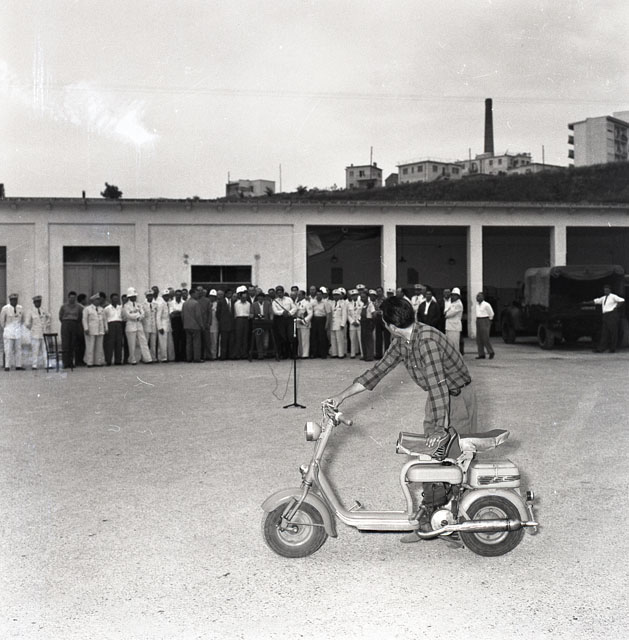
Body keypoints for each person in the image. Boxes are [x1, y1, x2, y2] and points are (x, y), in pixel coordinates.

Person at [327, 297, 478, 542]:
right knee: (432, 457)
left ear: (391, 326)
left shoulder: (427, 341)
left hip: (456, 397)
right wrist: (341, 396)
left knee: (451, 458)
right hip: (440, 397)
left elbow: (439, 388)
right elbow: (377, 371)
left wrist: (438, 431)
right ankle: (432, 519)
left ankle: (453, 525)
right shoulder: (402, 341)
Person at [122, 287, 153, 364]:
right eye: (133, 296)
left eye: (135, 296)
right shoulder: (126, 305)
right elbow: (128, 315)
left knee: (143, 342)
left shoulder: (139, 304)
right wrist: (137, 316)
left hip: (139, 324)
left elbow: (143, 313)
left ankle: (147, 358)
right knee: (132, 344)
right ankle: (132, 359)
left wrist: (138, 316)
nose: (134, 297)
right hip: (130, 325)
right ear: (129, 297)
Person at [591, 284, 625, 353]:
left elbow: (622, 300)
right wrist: (585, 302)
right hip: (605, 315)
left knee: (613, 332)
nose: (606, 291)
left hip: (612, 315)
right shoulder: (603, 298)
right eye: (605, 290)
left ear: (610, 290)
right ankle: (601, 348)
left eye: (607, 290)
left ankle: (613, 348)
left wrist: (616, 307)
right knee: (605, 332)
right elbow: (596, 301)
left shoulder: (613, 296)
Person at [25, 295, 50, 370]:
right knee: (35, 350)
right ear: (34, 303)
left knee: (45, 349)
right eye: (36, 302)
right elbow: (27, 323)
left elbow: (49, 317)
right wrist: (32, 329)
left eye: (39, 302)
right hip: (35, 333)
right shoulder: (31, 311)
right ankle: (34, 365)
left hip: (44, 332)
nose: (38, 303)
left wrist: (47, 324)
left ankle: (47, 364)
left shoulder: (43, 310)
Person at [58, 291, 83, 369]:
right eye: (71, 298)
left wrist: (74, 323)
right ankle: (65, 363)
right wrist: (66, 322)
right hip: (65, 324)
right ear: (68, 298)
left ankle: (71, 362)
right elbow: (60, 316)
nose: (72, 299)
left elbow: (80, 317)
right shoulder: (63, 306)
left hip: (74, 324)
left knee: (73, 343)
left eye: (74, 298)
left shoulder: (79, 307)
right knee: (65, 344)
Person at [1, 293, 24, 371]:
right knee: (8, 349)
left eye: (15, 300)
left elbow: (22, 319)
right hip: (9, 331)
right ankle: (7, 366)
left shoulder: (20, 308)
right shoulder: (5, 308)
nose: (14, 301)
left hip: (17, 331)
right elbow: (2, 321)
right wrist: (6, 328)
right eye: (13, 300)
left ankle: (18, 365)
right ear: (10, 300)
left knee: (18, 349)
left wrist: (19, 328)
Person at [82, 293, 106, 366]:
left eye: (99, 300)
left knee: (99, 347)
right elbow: (84, 319)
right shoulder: (87, 309)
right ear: (93, 301)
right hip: (91, 330)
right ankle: (89, 362)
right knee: (90, 346)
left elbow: (104, 319)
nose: (98, 301)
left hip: (100, 329)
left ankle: (98, 362)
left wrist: (106, 328)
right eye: (97, 300)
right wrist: (86, 328)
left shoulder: (101, 309)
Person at [182, 288, 204, 362]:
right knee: (196, 343)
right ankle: (196, 358)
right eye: (196, 293)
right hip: (195, 326)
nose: (198, 295)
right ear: (192, 294)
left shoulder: (185, 303)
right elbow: (198, 316)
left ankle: (189, 358)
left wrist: (184, 323)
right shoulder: (196, 303)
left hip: (187, 325)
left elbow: (182, 315)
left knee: (188, 343)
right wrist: (201, 325)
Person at [103, 293, 124, 365]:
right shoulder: (107, 308)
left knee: (119, 343)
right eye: (114, 299)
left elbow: (122, 316)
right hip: (110, 325)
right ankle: (108, 360)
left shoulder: (120, 308)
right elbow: (105, 319)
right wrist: (106, 328)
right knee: (110, 344)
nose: (116, 300)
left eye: (117, 299)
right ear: (111, 299)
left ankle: (118, 360)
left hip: (119, 324)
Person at [156, 289, 175, 362]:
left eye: (168, 296)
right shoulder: (161, 304)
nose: (167, 297)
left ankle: (170, 357)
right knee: (162, 343)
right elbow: (158, 317)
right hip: (163, 325)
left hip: (169, 325)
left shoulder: (170, 304)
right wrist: (159, 327)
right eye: (165, 296)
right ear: (163, 296)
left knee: (170, 342)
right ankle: (163, 358)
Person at [475, 292, 495, 360]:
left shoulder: (486, 304)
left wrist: (489, 320)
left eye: (479, 296)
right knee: (479, 338)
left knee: (485, 337)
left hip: (485, 320)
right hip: (478, 320)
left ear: (483, 297)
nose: (477, 297)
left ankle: (491, 352)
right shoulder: (477, 305)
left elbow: (491, 313)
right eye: (477, 296)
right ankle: (481, 354)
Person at [444, 287, 464, 352]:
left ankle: (456, 356)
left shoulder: (459, 304)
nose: (453, 296)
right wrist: (446, 312)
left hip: (454, 327)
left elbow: (448, 314)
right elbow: (445, 311)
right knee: (449, 343)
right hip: (449, 326)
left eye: (455, 295)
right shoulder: (452, 303)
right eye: (452, 295)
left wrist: (446, 313)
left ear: (458, 296)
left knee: (454, 344)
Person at [329, 289, 348, 358]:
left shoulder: (343, 303)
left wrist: (343, 324)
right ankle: (334, 353)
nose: (335, 296)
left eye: (337, 295)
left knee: (340, 340)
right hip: (332, 324)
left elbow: (344, 314)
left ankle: (341, 354)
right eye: (334, 295)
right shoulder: (331, 303)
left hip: (339, 324)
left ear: (340, 296)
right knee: (333, 339)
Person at [295, 290, 313, 358]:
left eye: (299, 295)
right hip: (298, 323)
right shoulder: (297, 303)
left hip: (305, 324)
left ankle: (305, 354)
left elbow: (310, 314)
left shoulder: (307, 303)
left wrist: (304, 321)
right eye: (298, 295)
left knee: (305, 339)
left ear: (303, 295)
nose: (298, 296)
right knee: (299, 340)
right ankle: (300, 353)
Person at [346, 289, 363, 359]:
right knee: (352, 339)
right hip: (352, 324)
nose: (354, 297)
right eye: (352, 295)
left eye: (355, 295)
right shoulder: (348, 304)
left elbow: (362, 313)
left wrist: (358, 321)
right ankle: (352, 354)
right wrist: (352, 321)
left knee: (360, 339)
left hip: (359, 324)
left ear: (357, 295)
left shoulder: (361, 303)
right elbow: (348, 314)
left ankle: (362, 354)